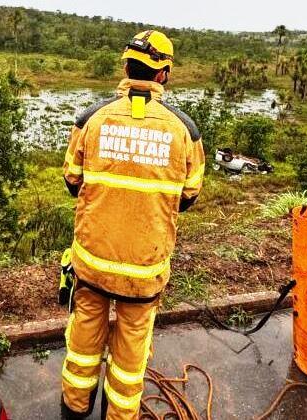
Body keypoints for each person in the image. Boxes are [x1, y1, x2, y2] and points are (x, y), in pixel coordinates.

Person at [61, 30, 206, 420]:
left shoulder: (90, 119)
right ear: (164, 75)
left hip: (92, 262)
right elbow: (189, 196)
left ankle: (73, 410)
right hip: (144, 270)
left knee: (83, 342)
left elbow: (71, 181)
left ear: (126, 67)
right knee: (130, 354)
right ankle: (120, 413)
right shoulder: (185, 130)